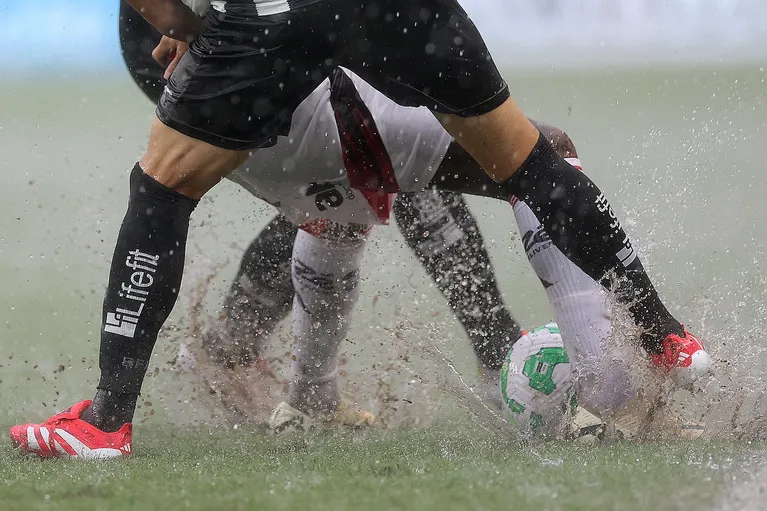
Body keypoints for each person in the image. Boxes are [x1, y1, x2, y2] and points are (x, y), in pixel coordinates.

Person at [9, 0, 710, 457]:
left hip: (269, 34)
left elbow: (171, 15)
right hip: (351, 28)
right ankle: (650, 350)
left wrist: (181, 30)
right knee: (524, 157)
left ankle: (138, 411)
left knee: (250, 194)